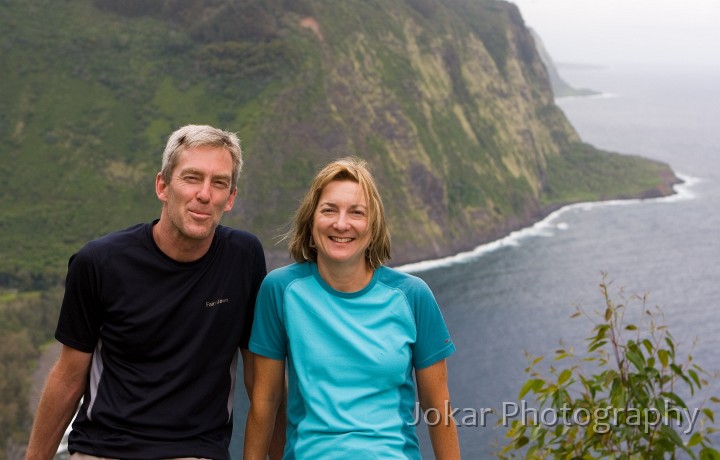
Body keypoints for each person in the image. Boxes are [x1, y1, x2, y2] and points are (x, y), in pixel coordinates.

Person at [25, 124, 284, 460]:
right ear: (163, 185)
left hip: (194, 451)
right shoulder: (100, 263)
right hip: (103, 449)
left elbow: (262, 382)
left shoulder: (243, 258)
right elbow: (68, 377)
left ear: (231, 197)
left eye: (219, 183)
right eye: (192, 178)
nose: (204, 194)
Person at [244, 157, 460, 459]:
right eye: (329, 210)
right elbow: (265, 401)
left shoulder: (412, 296)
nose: (341, 224)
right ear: (311, 220)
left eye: (356, 213)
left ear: (373, 227)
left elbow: (438, 405)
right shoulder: (280, 290)